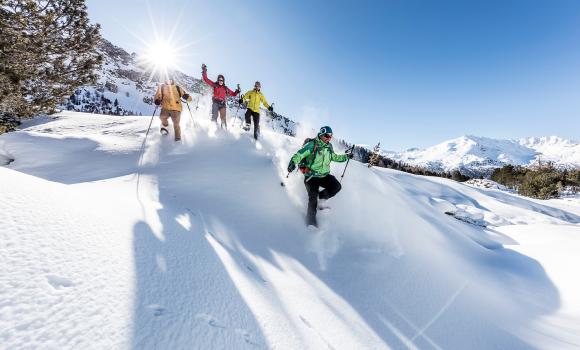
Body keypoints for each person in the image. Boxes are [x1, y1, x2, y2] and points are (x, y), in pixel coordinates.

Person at [287, 126, 353, 227]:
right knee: (312, 197)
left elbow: (335, 157)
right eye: (327, 136)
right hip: (311, 176)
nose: (328, 138)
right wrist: (293, 162)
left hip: (324, 175)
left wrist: (346, 157)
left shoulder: (329, 147)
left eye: (330, 137)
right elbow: (299, 155)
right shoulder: (312, 144)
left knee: (336, 186)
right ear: (321, 134)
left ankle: (320, 199)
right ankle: (310, 222)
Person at [201, 64, 240, 128]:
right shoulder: (215, 85)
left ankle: (224, 130)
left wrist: (237, 91)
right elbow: (206, 79)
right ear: (218, 80)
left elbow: (233, 94)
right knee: (214, 115)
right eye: (219, 80)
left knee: (223, 118)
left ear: (223, 81)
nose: (221, 81)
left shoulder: (225, 88)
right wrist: (204, 70)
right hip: (215, 102)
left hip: (222, 103)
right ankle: (213, 128)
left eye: (222, 80)